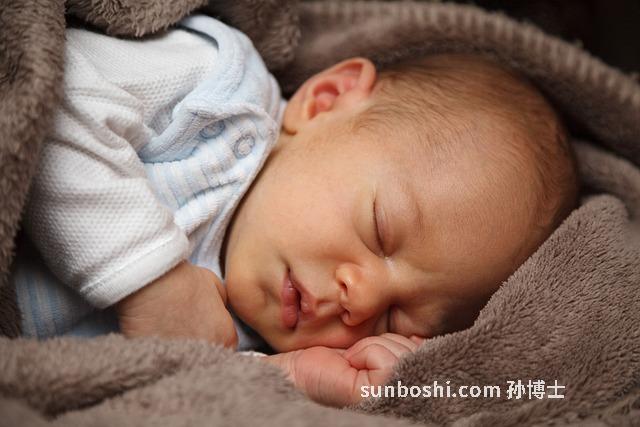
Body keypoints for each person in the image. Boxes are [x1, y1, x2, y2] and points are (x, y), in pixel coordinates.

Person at [12, 15, 578, 407]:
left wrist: (289, 376)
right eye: (380, 231)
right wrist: (152, 283)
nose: (361, 300)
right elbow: (55, 89)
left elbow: (158, 388)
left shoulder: (250, 340)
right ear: (326, 101)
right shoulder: (218, 98)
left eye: (392, 320)